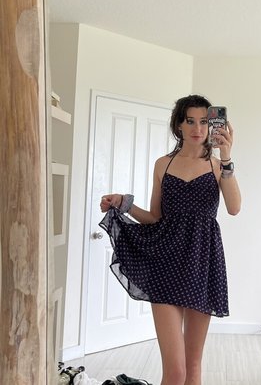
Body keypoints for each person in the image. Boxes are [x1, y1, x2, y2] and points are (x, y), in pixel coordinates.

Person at [99, 94, 241, 385]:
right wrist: (124, 203)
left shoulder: (217, 166)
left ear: (212, 126)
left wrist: (226, 157)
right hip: (165, 263)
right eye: (190, 121)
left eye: (204, 122)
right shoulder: (163, 164)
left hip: (202, 264)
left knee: (193, 366)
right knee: (175, 372)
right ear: (178, 125)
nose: (197, 128)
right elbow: (155, 217)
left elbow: (234, 207)